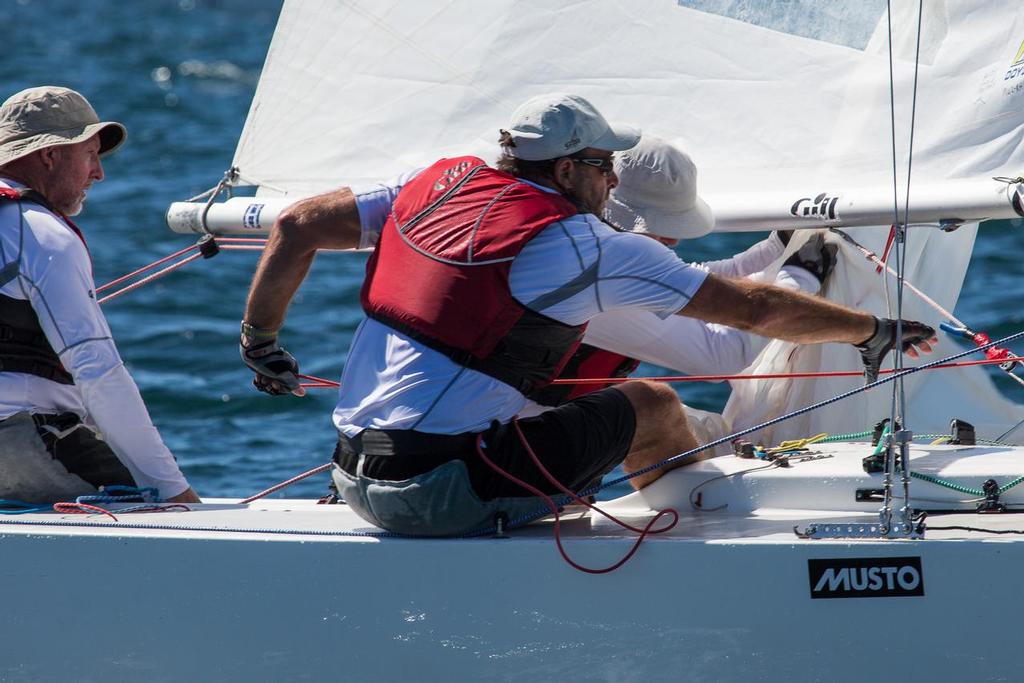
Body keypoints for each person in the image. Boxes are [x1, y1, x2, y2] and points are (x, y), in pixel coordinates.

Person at [240, 92, 934, 536]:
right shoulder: (582, 244)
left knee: (578, 414)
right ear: (570, 171)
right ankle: (687, 557)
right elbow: (748, 311)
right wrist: (870, 330)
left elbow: (298, 224)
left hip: (352, 474)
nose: (612, 180)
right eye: (605, 166)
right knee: (653, 405)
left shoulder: (436, 180)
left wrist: (260, 340)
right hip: (441, 493)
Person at [526, 135, 836, 412]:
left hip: (537, 421)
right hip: (520, 444)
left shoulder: (583, 242)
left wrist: (773, 249)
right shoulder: (598, 276)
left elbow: (691, 281)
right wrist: (799, 279)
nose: (674, 240)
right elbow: (720, 358)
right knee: (656, 407)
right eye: (663, 225)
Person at [0, 86, 199, 504]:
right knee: (151, 498)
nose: (99, 173)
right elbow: (97, 371)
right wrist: (175, 493)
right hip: (16, 444)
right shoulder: (40, 235)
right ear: (49, 155)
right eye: (90, 155)